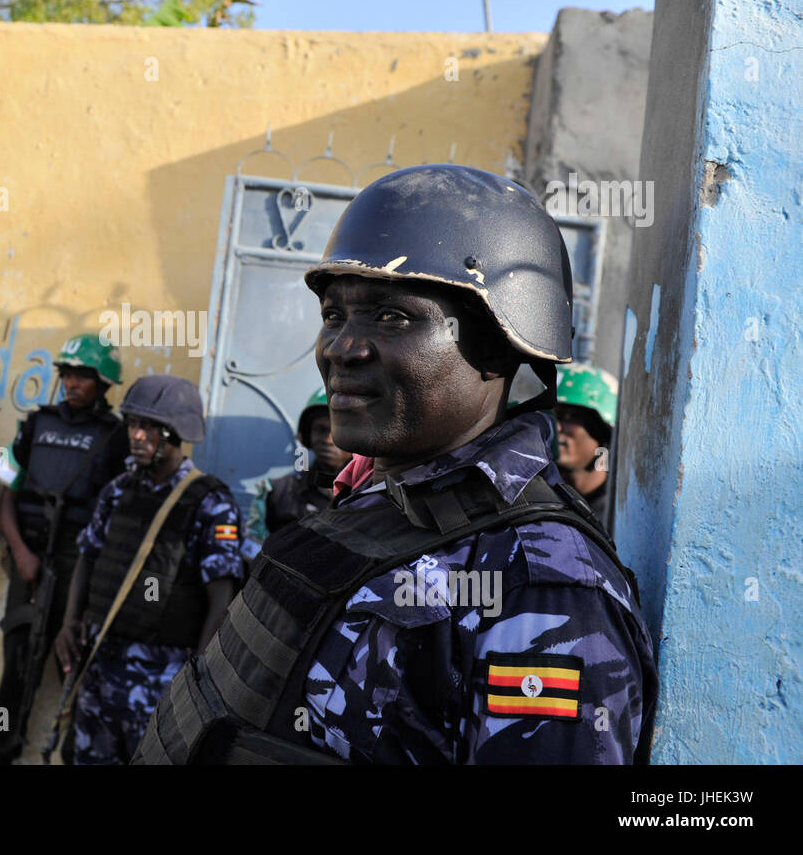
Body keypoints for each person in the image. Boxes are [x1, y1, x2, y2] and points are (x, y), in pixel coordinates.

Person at [135, 164, 658, 765]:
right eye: (334, 316)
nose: (340, 348)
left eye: (392, 317)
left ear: (497, 347)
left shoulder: (539, 586)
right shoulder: (381, 501)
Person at [53, 374, 244, 765]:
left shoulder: (209, 501)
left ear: (176, 432)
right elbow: (87, 558)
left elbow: (221, 597)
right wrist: (70, 622)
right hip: (101, 664)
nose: (136, 436)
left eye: (148, 427)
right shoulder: (118, 490)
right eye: (133, 424)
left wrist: (198, 680)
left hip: (164, 678)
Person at [0, 334, 129, 765]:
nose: (71, 383)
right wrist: (21, 552)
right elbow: (6, 494)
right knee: (15, 670)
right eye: (67, 374)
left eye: (82, 375)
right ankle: (0, 751)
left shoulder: (116, 436)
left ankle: (68, 754)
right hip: (27, 563)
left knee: (76, 670)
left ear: (101, 383)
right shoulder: (35, 424)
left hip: (79, 567)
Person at [242, 388, 352, 562]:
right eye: (320, 430)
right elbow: (251, 553)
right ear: (308, 436)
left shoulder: (372, 495)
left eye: (337, 430)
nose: (327, 439)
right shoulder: (276, 492)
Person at [553, 363, 618, 527]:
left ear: (603, 431)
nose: (557, 427)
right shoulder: (534, 501)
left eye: (569, 417)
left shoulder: (622, 513)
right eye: (552, 416)